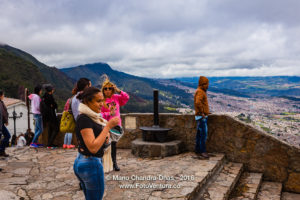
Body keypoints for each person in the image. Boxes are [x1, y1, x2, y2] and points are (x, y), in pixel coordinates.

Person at [73, 87, 119, 200]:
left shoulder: (91, 117)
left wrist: (105, 135)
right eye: (98, 101)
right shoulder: (84, 118)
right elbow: (93, 147)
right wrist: (108, 126)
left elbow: (95, 135)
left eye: (102, 100)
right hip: (91, 163)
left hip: (83, 160)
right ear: (88, 102)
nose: (102, 104)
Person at [101, 77, 129, 171]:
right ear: (103, 90)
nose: (108, 90)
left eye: (110, 88)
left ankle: (114, 163)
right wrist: (109, 114)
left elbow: (126, 98)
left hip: (116, 126)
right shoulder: (101, 101)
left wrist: (118, 90)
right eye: (105, 88)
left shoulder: (116, 97)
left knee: (114, 145)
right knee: (105, 146)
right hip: (106, 126)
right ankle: (104, 163)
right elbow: (99, 115)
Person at [63, 78, 91, 149]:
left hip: (78, 123)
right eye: (90, 85)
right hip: (85, 124)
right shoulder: (84, 97)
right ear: (86, 86)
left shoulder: (74, 97)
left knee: (82, 147)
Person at [194, 76, 210, 158]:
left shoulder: (200, 90)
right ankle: (202, 151)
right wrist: (203, 113)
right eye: (207, 84)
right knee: (203, 135)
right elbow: (198, 102)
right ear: (203, 84)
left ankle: (197, 150)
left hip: (200, 116)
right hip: (201, 117)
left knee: (199, 135)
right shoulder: (200, 91)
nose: (208, 86)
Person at [42, 85, 59, 149]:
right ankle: (50, 143)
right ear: (50, 90)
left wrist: (53, 105)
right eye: (52, 89)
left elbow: (53, 105)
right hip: (51, 115)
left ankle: (50, 143)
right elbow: (54, 105)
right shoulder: (49, 97)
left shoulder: (44, 96)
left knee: (51, 129)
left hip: (47, 116)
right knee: (56, 128)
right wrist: (53, 105)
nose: (53, 90)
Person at [0, 90, 11, 157]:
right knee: (7, 136)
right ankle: (1, 150)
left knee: (7, 136)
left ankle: (1, 150)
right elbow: (3, 114)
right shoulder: (0, 103)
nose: (3, 96)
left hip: (1, 124)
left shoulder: (1, 102)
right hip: (1, 124)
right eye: (3, 95)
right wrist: (6, 121)